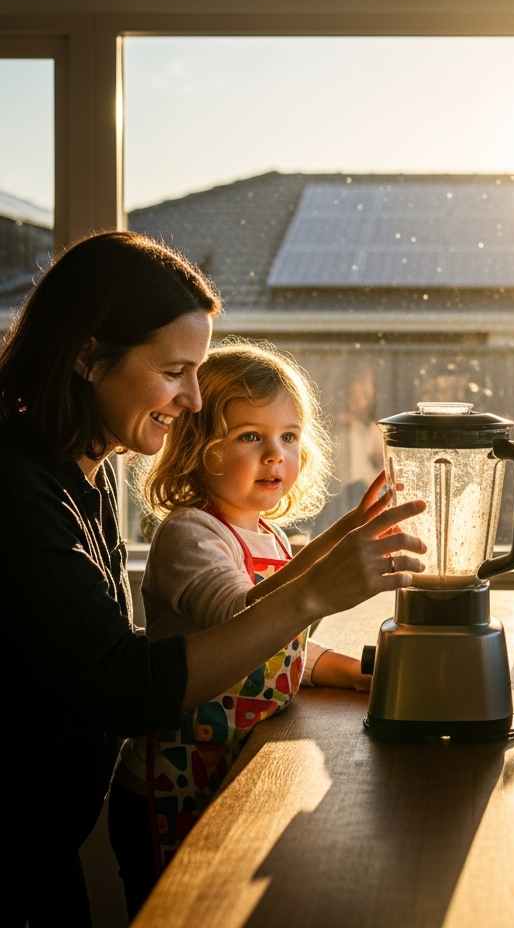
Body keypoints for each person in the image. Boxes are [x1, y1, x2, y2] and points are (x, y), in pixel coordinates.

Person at [1, 232, 425, 927]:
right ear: (86, 357)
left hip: (49, 849)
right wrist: (317, 589)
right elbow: (124, 686)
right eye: (175, 371)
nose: (195, 400)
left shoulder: (85, 465)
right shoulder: (15, 491)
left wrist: (340, 544)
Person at [109, 340, 384, 915]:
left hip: (231, 766)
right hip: (169, 783)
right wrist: (332, 553)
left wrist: (353, 672)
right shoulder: (191, 535)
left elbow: (283, 647)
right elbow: (246, 620)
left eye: (288, 436)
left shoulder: (273, 539)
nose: (275, 455)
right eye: (249, 436)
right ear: (196, 449)